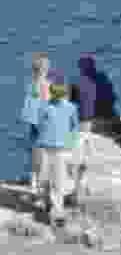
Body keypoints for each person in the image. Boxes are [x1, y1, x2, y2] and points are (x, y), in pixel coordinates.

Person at [34, 82, 79, 225]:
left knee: (57, 181)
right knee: (44, 178)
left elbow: (74, 127)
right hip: (46, 147)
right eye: (56, 94)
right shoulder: (45, 107)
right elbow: (39, 125)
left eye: (60, 94)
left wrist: (70, 143)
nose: (58, 97)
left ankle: (57, 211)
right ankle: (48, 203)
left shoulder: (70, 108)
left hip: (60, 149)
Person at [19, 53, 58, 191]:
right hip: (44, 125)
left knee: (35, 154)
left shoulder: (32, 85)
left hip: (35, 124)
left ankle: (34, 181)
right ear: (44, 69)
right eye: (46, 66)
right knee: (44, 156)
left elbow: (28, 110)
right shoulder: (47, 86)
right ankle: (39, 184)